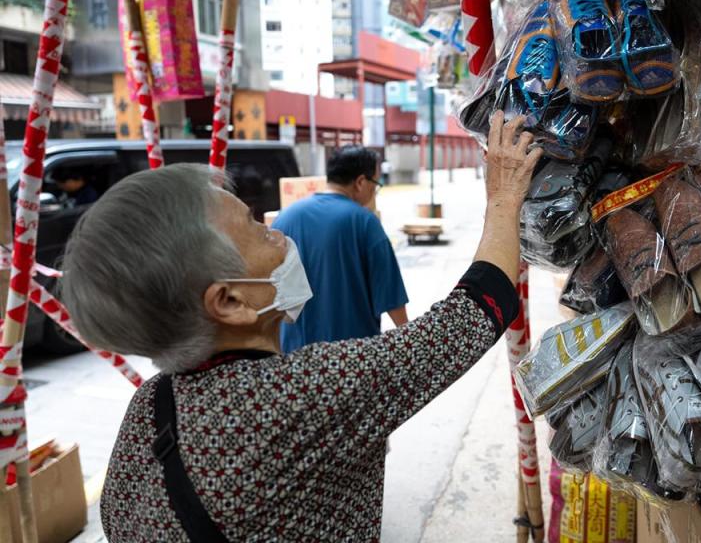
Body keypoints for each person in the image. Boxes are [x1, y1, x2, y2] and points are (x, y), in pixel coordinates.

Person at [59, 114, 540, 542]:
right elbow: (475, 312)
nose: (282, 236)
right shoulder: (303, 393)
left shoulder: (149, 405)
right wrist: (504, 194)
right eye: (259, 230)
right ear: (230, 301)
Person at [272, 145, 408, 351]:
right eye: (375, 184)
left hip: (294, 358)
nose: (374, 192)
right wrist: (410, 344)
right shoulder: (364, 222)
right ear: (361, 182)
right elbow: (391, 296)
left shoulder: (285, 218)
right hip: (351, 360)